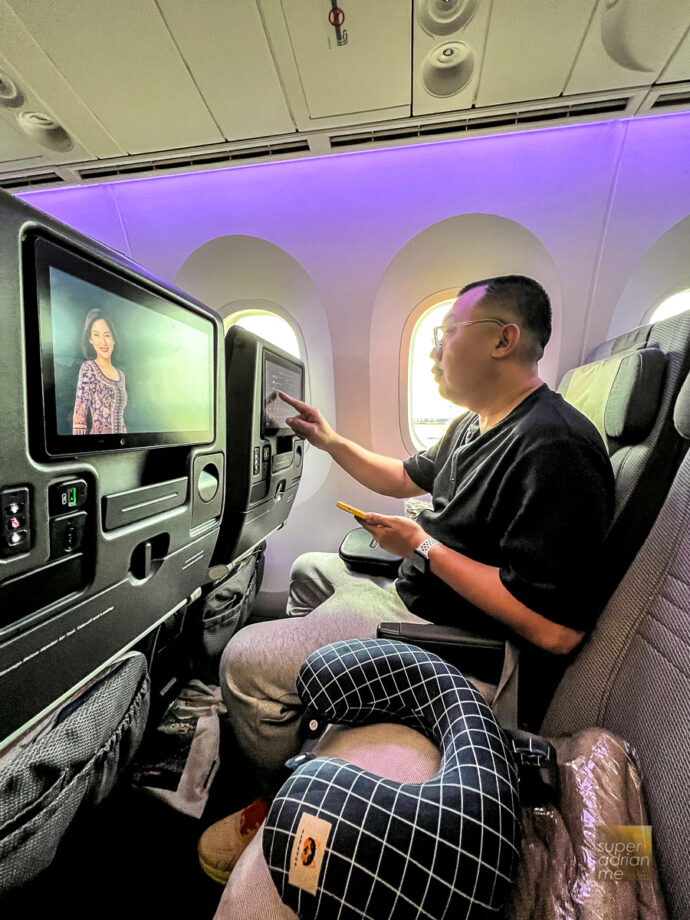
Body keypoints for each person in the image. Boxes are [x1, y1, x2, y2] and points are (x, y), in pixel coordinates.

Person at [199, 275, 615, 883]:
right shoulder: (477, 423)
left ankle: (278, 800)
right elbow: (402, 475)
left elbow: (555, 632)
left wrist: (421, 544)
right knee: (313, 570)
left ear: (503, 339)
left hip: (457, 640)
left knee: (243, 661)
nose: (433, 350)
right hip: (422, 595)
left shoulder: (553, 447)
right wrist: (329, 440)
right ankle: (318, 721)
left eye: (446, 333)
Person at [72, 308, 127, 435]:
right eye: (96, 335)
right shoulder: (88, 369)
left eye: (107, 335)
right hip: (98, 447)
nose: (103, 342)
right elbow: (79, 417)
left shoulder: (121, 375)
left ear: (113, 339)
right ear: (90, 339)